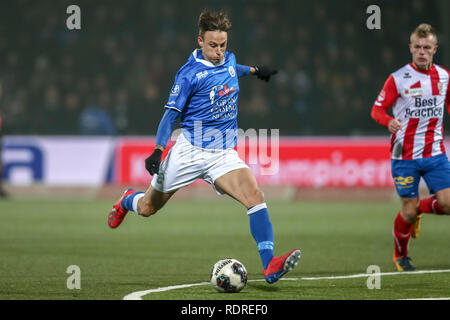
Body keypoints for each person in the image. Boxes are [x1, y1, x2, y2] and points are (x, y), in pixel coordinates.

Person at [107, 10, 301, 284]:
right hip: (189, 151)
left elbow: (235, 68)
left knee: (255, 196)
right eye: (213, 45)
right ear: (200, 41)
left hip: (222, 154)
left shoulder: (229, 59)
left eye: (223, 45)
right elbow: (170, 114)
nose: (219, 51)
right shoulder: (189, 75)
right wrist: (158, 149)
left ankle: (270, 265)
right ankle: (127, 199)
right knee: (149, 208)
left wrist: (257, 71)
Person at [371, 23, 450, 271]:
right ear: (411, 48)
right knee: (408, 208)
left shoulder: (445, 77)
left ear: (434, 49)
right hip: (404, 156)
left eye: (427, 47)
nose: (422, 51)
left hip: (435, 153)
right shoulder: (398, 78)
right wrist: (389, 121)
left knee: (447, 203)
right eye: (417, 47)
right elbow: (376, 110)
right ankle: (401, 255)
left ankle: (419, 209)